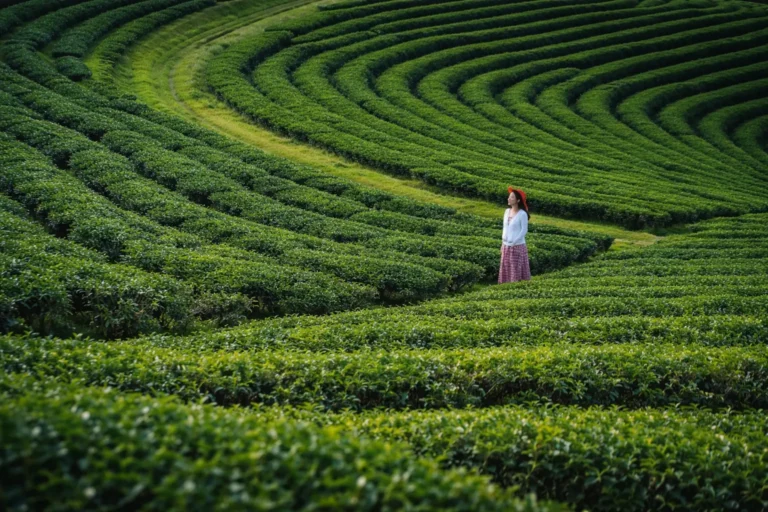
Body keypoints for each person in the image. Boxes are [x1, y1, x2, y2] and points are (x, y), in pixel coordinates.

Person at [498, 187, 531, 284]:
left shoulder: (522, 214)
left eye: (512, 197)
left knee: (515, 269)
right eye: (509, 197)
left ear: (518, 200)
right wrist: (503, 243)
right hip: (506, 246)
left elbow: (524, 230)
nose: (509, 199)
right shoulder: (506, 211)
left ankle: (515, 287)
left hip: (517, 246)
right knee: (506, 268)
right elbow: (505, 228)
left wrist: (514, 242)